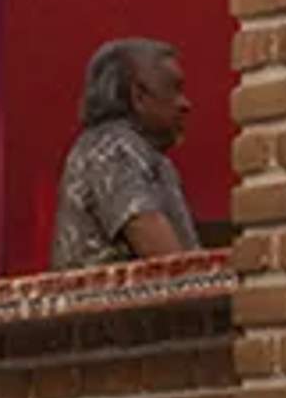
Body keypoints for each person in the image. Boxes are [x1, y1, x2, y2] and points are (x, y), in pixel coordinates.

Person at [51, 36, 204, 268]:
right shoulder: (111, 149)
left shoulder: (153, 158)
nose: (185, 104)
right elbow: (166, 258)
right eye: (174, 89)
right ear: (138, 96)